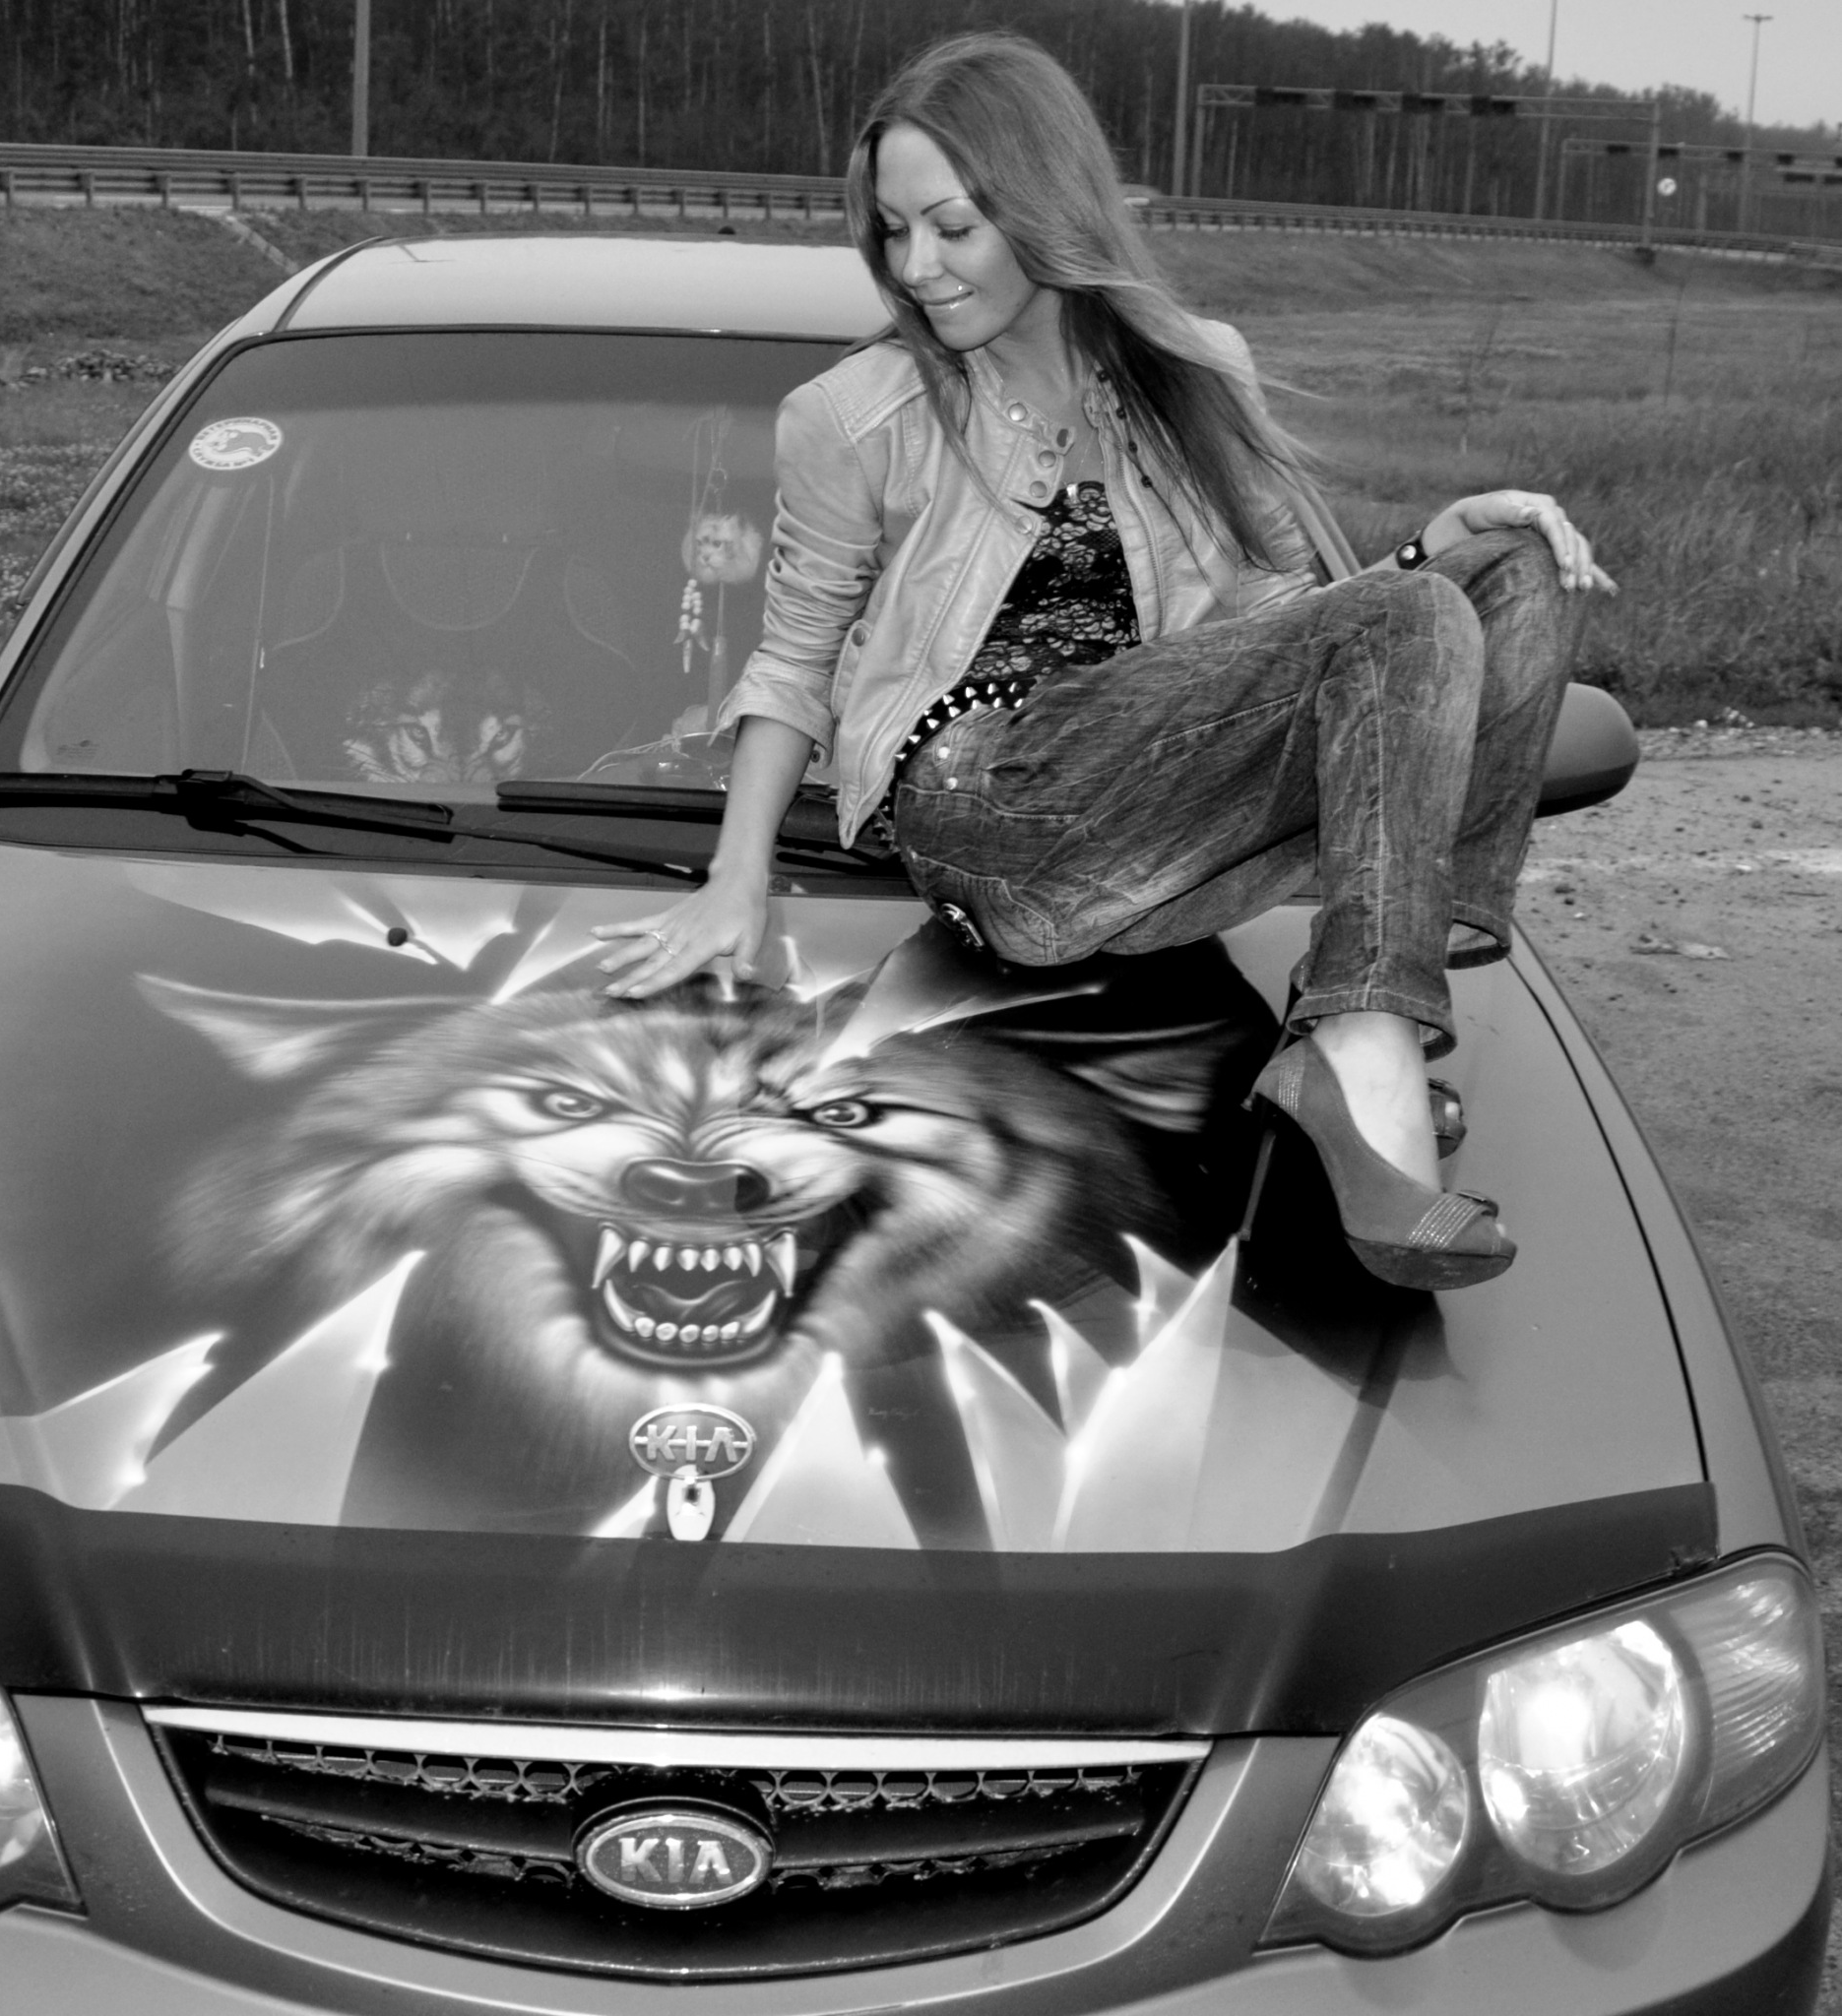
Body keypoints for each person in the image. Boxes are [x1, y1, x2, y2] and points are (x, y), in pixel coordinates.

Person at [593, 31, 1615, 1292]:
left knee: (1507, 567)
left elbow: (1284, 628)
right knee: (1405, 613)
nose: (915, 268)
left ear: (1044, 202)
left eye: (951, 227)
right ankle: (1366, 1047)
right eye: (893, 232)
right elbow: (793, 655)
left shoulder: (1193, 372)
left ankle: (1380, 986)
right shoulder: (856, 416)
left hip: (1154, 852)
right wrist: (733, 876)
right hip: (986, 805)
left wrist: (1424, 551)